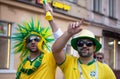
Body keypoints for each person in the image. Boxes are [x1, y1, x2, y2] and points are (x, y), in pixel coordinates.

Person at [13, 3, 62, 79]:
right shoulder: (22, 65)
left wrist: (51, 19)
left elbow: (61, 42)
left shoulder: (50, 58)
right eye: (29, 40)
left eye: (36, 39)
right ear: (25, 44)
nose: (33, 42)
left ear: (42, 42)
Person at [52, 20, 116, 79]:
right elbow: (56, 50)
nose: (84, 46)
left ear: (94, 48)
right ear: (77, 47)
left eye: (89, 43)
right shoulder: (69, 63)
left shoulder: (105, 69)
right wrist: (69, 33)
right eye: (80, 43)